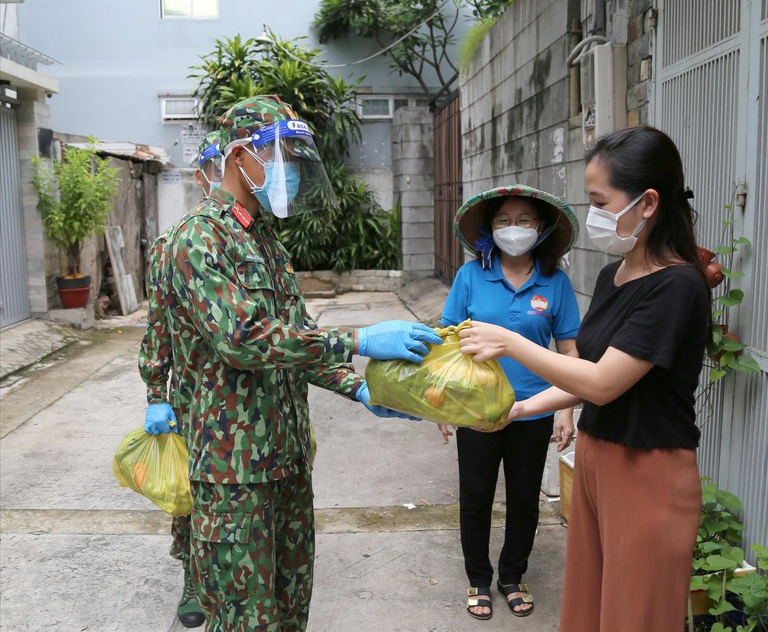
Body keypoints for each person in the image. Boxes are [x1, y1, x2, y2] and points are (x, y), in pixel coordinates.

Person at [146, 95, 441, 631]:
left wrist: (361, 390)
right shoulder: (197, 240)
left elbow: (297, 343)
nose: (290, 172)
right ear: (239, 158)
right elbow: (246, 340)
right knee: (244, 618)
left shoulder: (266, 245)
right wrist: (359, 339)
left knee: (289, 607)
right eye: (281, 157)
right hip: (232, 472)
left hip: (286, 460)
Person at [457, 126, 711, 631]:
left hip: (647, 469)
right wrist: (523, 409)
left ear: (647, 203)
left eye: (600, 200)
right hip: (597, 456)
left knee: (632, 615)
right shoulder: (612, 276)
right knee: (589, 609)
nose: (594, 213)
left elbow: (601, 382)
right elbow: (587, 374)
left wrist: (512, 343)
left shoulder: (677, 285)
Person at [438, 185, 581, 620]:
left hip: (535, 408)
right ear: (489, 230)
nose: (513, 229)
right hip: (476, 410)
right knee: (476, 497)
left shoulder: (555, 282)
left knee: (524, 499)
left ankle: (512, 576)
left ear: (540, 228)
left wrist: (565, 408)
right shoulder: (470, 277)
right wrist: (440, 404)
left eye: (524, 220)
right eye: (503, 220)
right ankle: (479, 580)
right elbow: (445, 345)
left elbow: (570, 353)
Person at [138, 127, 225, 628]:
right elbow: (159, 327)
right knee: (190, 496)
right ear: (202, 175)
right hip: (192, 401)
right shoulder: (174, 244)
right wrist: (156, 392)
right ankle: (192, 581)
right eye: (212, 168)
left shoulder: (251, 239)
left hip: (247, 405)